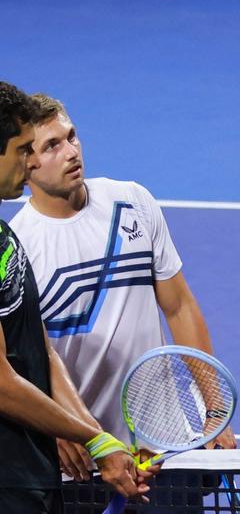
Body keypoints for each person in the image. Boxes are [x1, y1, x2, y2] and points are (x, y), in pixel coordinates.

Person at [10, 94, 236, 486]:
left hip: (165, 447)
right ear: (28, 163)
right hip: (84, 462)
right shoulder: (19, 246)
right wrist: (64, 431)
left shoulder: (132, 202)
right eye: (52, 146)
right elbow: (31, 360)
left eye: (71, 137)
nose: (71, 152)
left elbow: (179, 306)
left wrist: (215, 410)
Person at [0, 82, 147, 513]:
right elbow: (2, 386)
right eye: (23, 150)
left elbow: (39, 349)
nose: (31, 165)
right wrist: (93, 437)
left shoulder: (4, 240)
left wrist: (97, 438)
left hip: (32, 476)